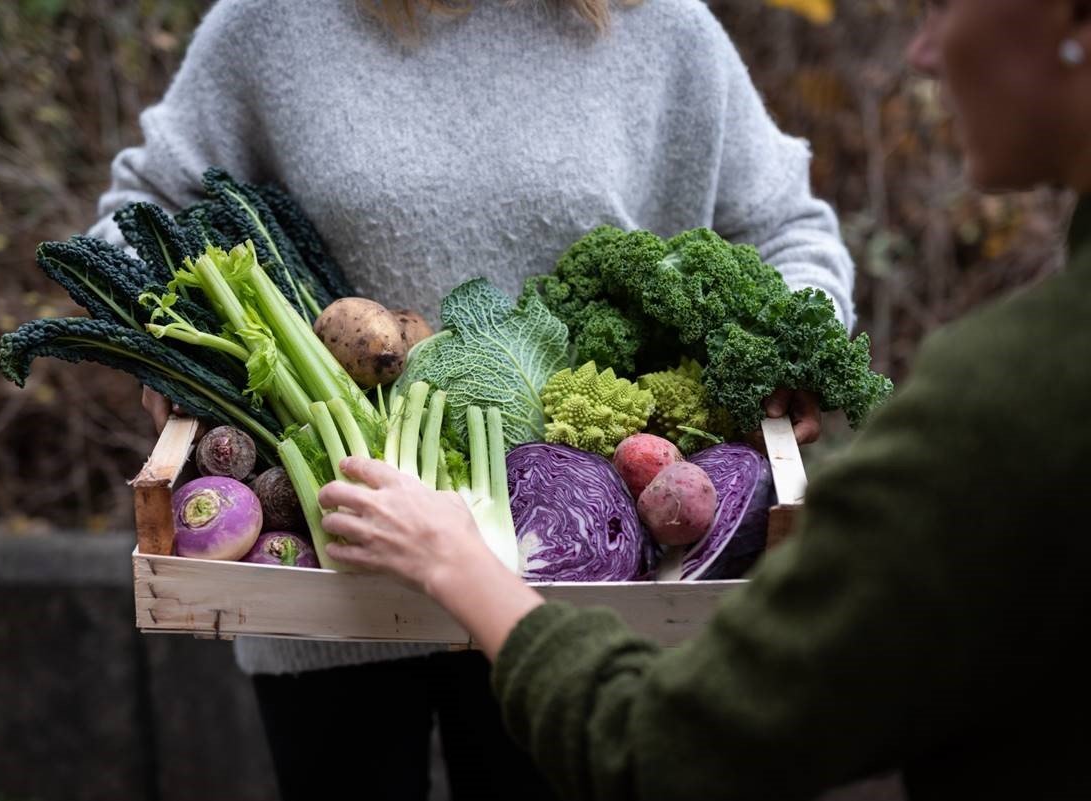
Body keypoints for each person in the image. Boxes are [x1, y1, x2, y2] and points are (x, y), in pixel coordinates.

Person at [312, 0, 1091, 798]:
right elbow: (169, 181)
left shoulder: (1015, 398)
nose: (921, 51)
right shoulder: (277, 21)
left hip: (602, 600)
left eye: (944, 5)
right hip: (319, 595)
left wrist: (792, 342)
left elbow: (667, 746)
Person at [90, 0, 856, 797]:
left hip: (579, 586)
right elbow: (140, 214)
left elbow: (789, 229)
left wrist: (798, 347)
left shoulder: (663, 27)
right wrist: (171, 354)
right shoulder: (271, 23)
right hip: (328, 574)